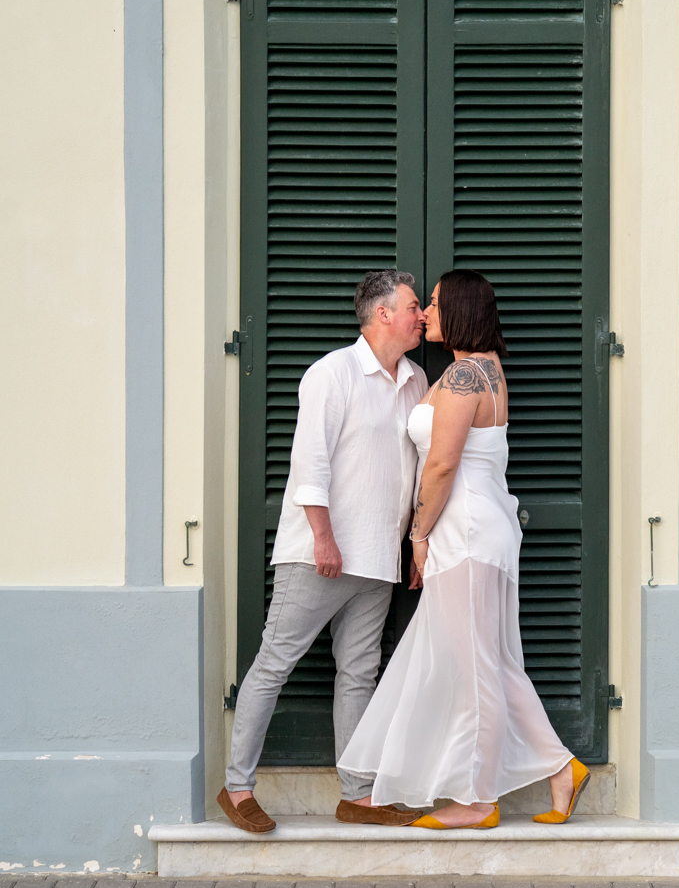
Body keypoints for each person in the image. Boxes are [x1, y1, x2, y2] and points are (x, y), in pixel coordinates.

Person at [337, 269, 589, 828]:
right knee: (491, 662)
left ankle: (478, 800)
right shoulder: (487, 372)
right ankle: (560, 769)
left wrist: (418, 538)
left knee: (475, 666)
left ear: (460, 310)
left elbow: (443, 464)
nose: (425, 312)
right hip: (485, 526)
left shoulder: (462, 378)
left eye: (432, 303)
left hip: (465, 530)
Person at [218, 270, 429, 833]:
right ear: (382, 313)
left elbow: (412, 474)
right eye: (413, 305)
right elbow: (309, 463)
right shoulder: (331, 373)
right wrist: (323, 538)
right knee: (273, 665)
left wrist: (413, 545)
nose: (422, 315)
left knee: (359, 673)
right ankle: (237, 788)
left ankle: (356, 795)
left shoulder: (415, 380)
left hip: (380, 557)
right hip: (321, 555)